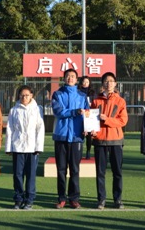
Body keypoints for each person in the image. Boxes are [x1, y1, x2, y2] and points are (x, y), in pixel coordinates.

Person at [90, 71, 128, 209]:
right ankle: (101, 200)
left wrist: (107, 120)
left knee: (117, 172)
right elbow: (91, 120)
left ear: (115, 83)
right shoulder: (96, 101)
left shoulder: (120, 101)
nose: (109, 83)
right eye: (106, 81)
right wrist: (92, 131)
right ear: (102, 84)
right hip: (99, 141)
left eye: (111, 81)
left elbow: (123, 121)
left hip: (116, 141)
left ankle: (117, 199)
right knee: (100, 173)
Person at [51, 68, 87, 209]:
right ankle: (61, 198)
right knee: (61, 170)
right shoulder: (57, 94)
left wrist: (88, 128)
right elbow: (58, 111)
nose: (70, 78)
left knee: (75, 170)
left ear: (76, 80)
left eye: (72, 76)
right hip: (61, 136)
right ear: (64, 78)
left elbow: (88, 114)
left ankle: (74, 198)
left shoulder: (82, 96)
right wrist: (75, 112)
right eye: (67, 76)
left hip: (77, 137)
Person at [5, 85, 45, 209]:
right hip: (18, 147)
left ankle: (29, 199)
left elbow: (40, 128)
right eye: (22, 95)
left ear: (31, 95)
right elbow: (10, 129)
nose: (24, 97)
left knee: (31, 175)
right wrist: (8, 147)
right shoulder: (14, 110)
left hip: (32, 148)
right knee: (18, 174)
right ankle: (18, 198)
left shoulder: (37, 109)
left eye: (27, 95)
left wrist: (38, 147)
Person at [78, 76, 96, 159]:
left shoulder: (92, 92)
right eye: (84, 82)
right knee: (80, 132)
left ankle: (88, 150)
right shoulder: (78, 92)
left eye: (87, 82)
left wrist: (91, 104)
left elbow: (95, 103)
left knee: (89, 134)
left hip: (89, 115)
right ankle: (79, 151)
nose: (85, 83)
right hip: (80, 114)